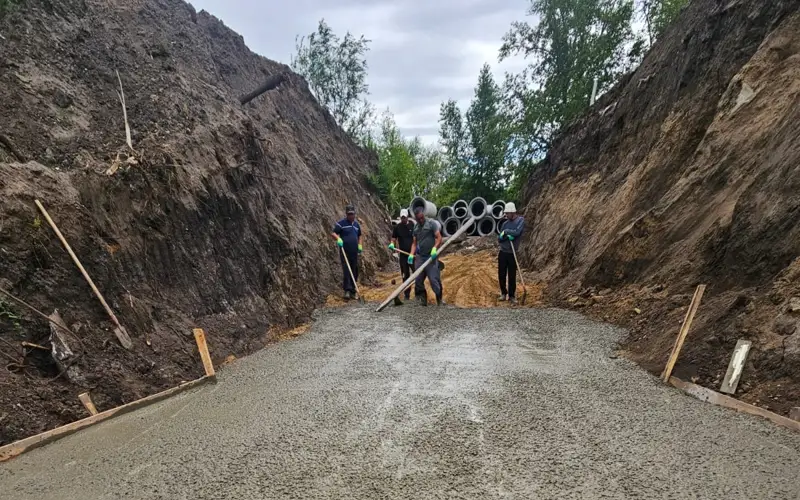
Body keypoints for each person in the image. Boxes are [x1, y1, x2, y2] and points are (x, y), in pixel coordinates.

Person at [409, 206, 443, 306]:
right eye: (418, 219)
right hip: (420, 257)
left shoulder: (431, 223)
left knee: (434, 280)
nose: (420, 220)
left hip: (431, 257)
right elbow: (414, 243)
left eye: (421, 217)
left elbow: (439, 237)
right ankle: (423, 301)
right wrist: (411, 254)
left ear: (424, 215)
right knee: (418, 280)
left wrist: (434, 249)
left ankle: (439, 299)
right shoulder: (416, 228)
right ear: (415, 218)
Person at [331, 205, 363, 300]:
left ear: (354, 214)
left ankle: (353, 290)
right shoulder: (341, 223)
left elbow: (360, 236)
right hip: (345, 251)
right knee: (346, 269)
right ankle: (347, 290)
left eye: (352, 214)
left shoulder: (357, 225)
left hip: (354, 251)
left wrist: (360, 245)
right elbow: (333, 233)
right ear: (346, 214)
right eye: (349, 214)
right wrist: (338, 239)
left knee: (354, 269)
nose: (350, 216)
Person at [497, 202, 525, 305]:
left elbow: (517, 232)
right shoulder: (504, 223)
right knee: (501, 274)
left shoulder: (520, 221)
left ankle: (512, 296)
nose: (506, 215)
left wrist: (507, 232)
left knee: (512, 275)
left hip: (512, 253)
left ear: (513, 212)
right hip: (503, 252)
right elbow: (500, 238)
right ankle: (503, 293)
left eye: (507, 213)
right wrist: (503, 236)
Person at [389, 209, 414, 300]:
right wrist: (392, 244)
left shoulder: (412, 225)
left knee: (418, 273)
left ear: (407, 217)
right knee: (405, 274)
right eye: (402, 217)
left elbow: (415, 239)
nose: (403, 219)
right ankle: (407, 295)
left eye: (405, 217)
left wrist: (414, 252)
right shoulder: (397, 227)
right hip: (403, 255)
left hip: (412, 254)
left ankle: (419, 293)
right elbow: (393, 238)